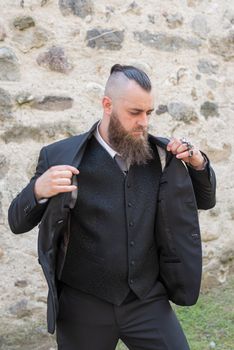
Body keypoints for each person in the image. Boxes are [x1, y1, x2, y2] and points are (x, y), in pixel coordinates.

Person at [8, 64, 216, 350]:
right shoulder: (59, 155)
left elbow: (205, 200)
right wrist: (38, 189)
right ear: (107, 105)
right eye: (134, 113)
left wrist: (199, 163)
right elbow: (16, 222)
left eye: (148, 113)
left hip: (146, 301)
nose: (144, 122)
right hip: (82, 306)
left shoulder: (161, 155)